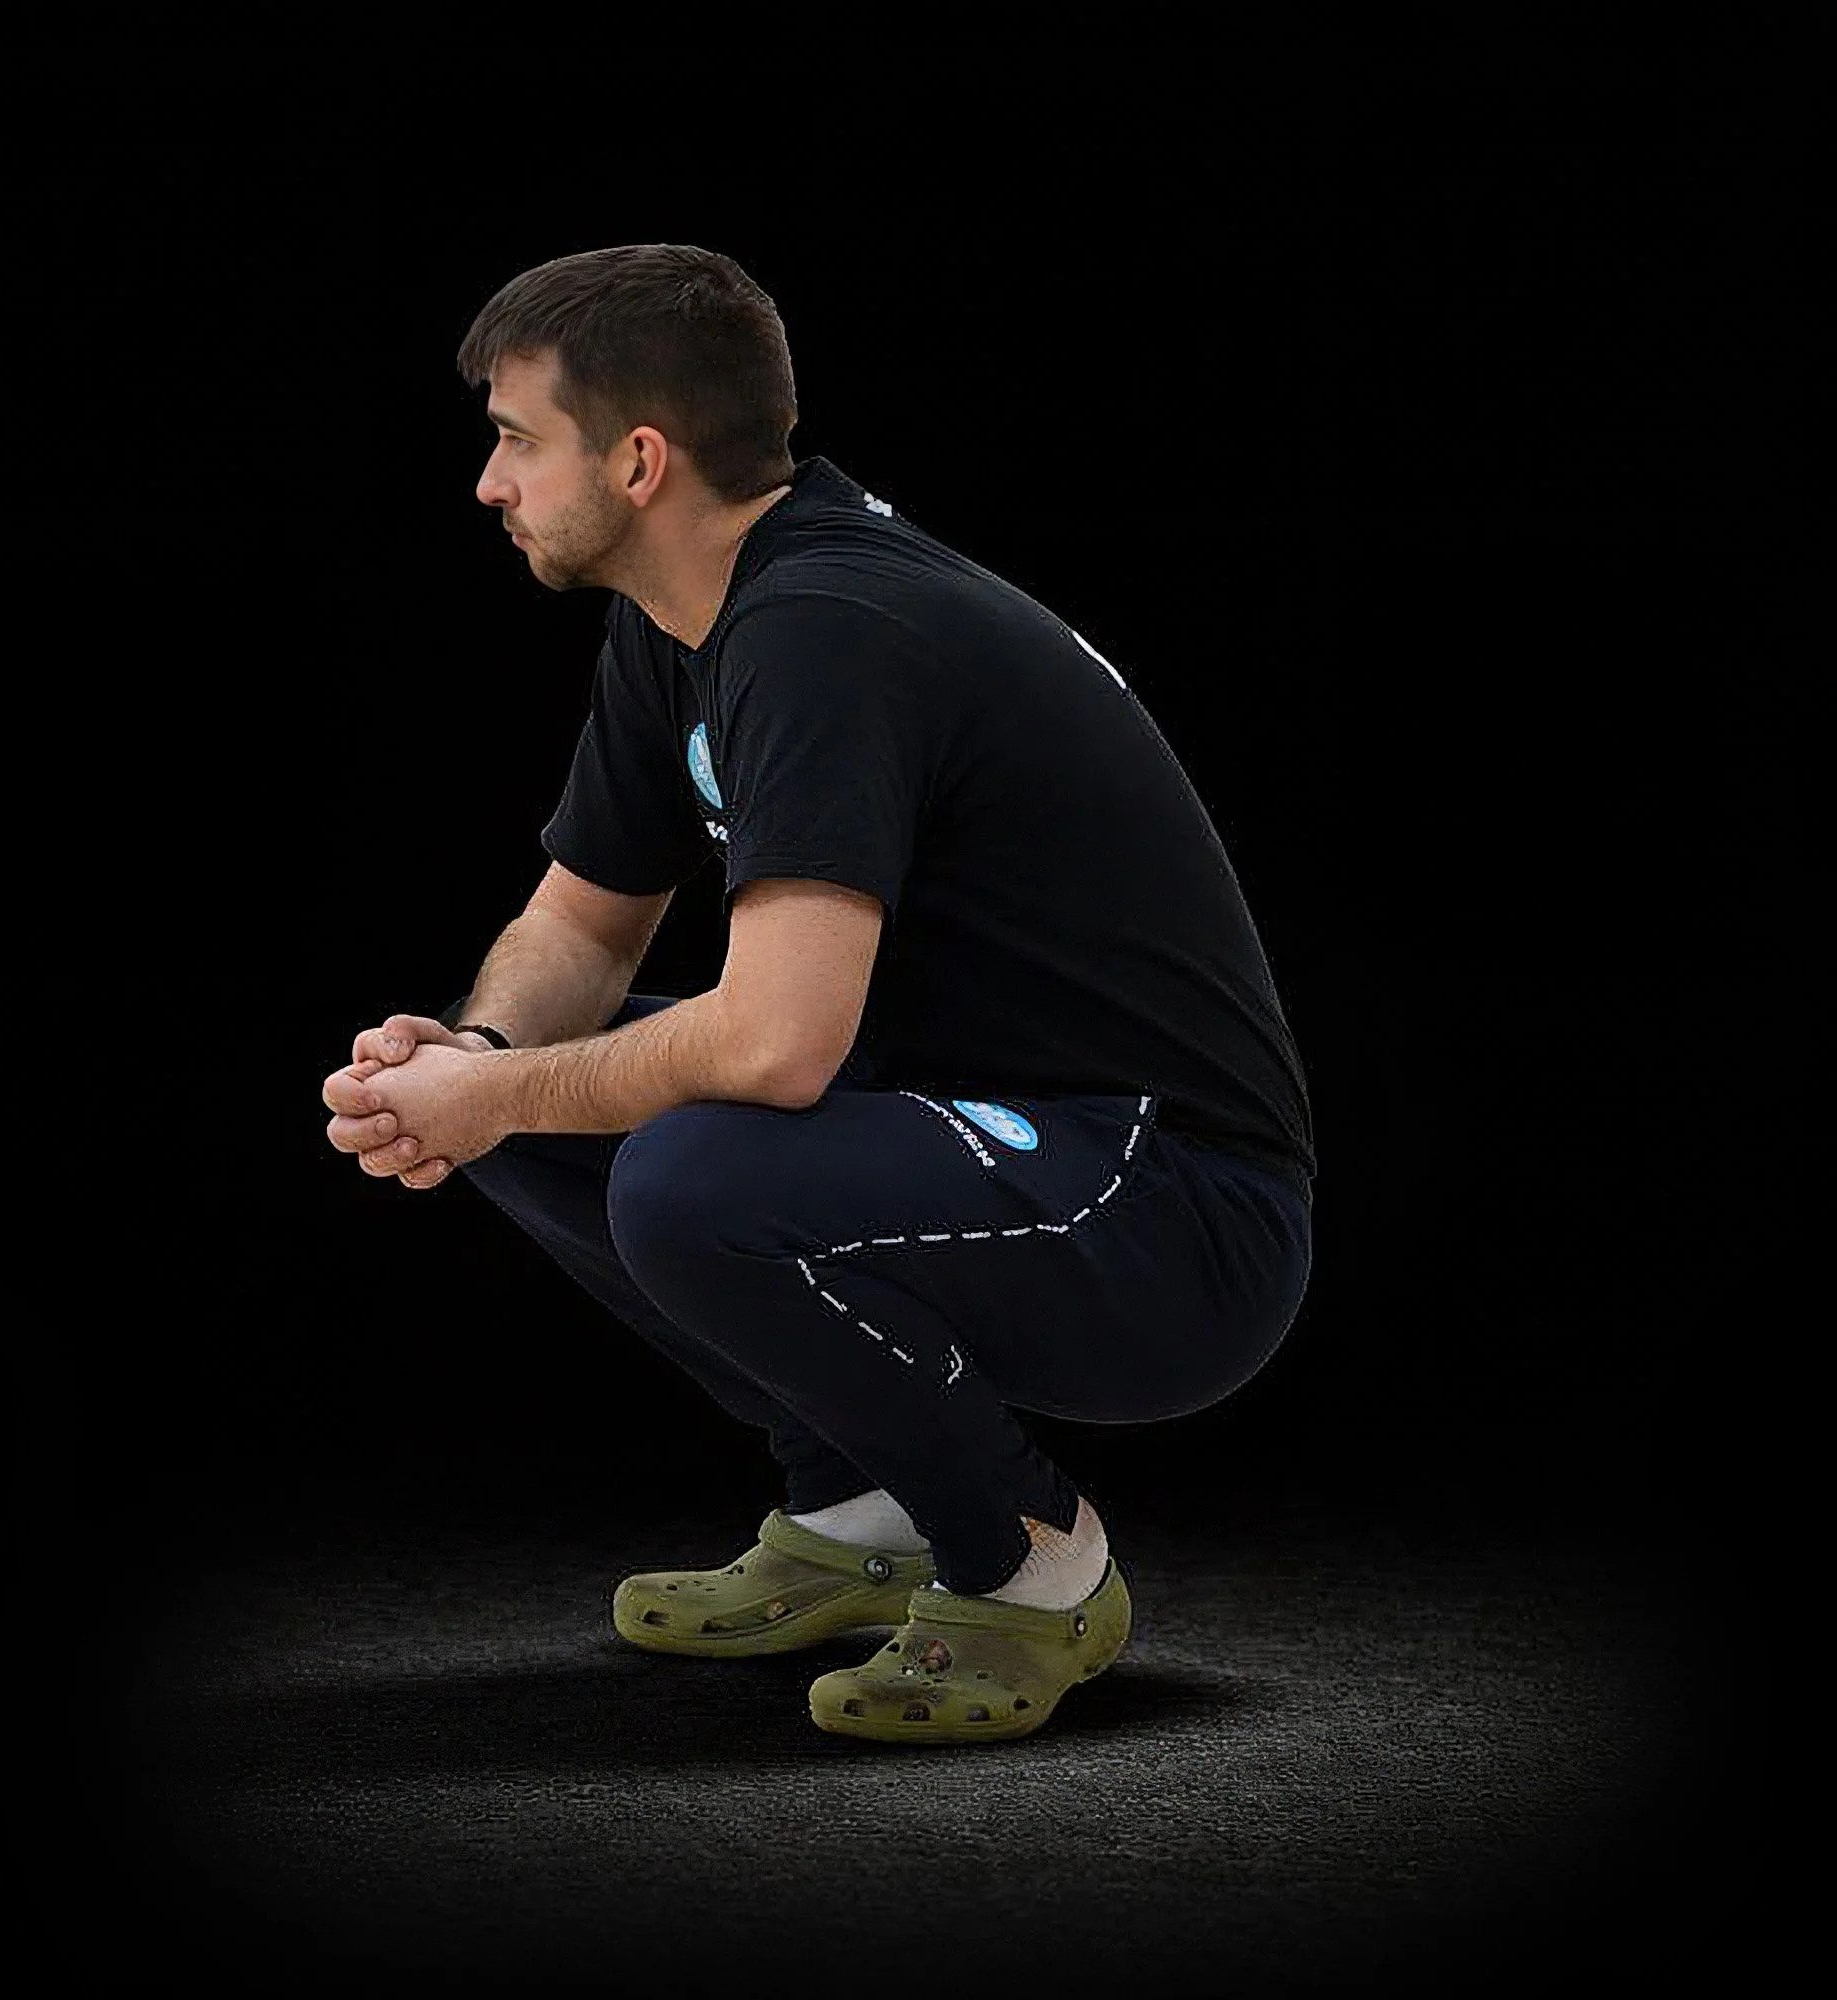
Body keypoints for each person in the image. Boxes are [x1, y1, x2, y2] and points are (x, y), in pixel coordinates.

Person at [320, 244, 1315, 1745]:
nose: (489, 483)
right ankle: (864, 1512)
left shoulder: (826, 628)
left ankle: (1031, 1562)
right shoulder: (681, 623)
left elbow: (782, 1048)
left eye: (517, 439)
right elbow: (578, 927)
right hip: (980, 1129)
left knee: (690, 1167)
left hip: (1174, 1211)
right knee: (533, 1101)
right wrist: (469, 1062)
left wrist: (495, 1089)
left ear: (639, 459)